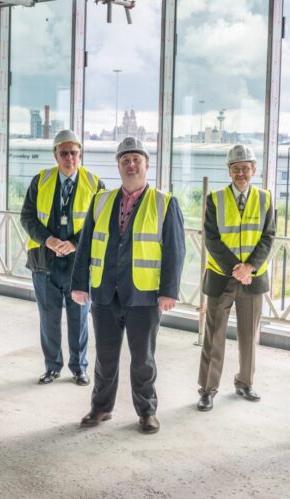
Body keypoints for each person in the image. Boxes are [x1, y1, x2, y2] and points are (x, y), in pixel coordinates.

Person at [71, 137, 185, 434]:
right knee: (105, 357)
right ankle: (101, 408)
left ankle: (147, 411)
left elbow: (175, 250)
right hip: (105, 292)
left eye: (136, 159)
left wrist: (169, 291)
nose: (131, 164)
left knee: (143, 359)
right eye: (125, 160)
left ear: (147, 164)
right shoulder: (101, 200)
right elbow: (85, 245)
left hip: (144, 295)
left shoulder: (164, 202)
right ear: (119, 166)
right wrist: (80, 284)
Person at [20, 130, 104, 386]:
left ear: (81, 155)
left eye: (74, 153)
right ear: (55, 155)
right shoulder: (40, 181)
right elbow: (27, 217)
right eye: (64, 153)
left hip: (79, 265)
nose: (69, 158)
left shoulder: (95, 184)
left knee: (79, 319)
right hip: (45, 263)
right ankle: (52, 366)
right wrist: (48, 240)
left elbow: (100, 222)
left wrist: (74, 243)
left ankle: (79, 367)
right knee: (49, 318)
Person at [196, 145, 275, 411]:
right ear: (229, 171)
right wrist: (236, 268)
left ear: (254, 169)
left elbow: (268, 236)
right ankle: (207, 390)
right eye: (236, 169)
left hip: (253, 279)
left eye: (245, 168)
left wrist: (249, 267)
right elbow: (211, 238)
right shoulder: (215, 199)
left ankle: (245, 383)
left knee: (249, 336)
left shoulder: (265, 198)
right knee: (214, 336)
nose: (241, 173)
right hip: (222, 277)